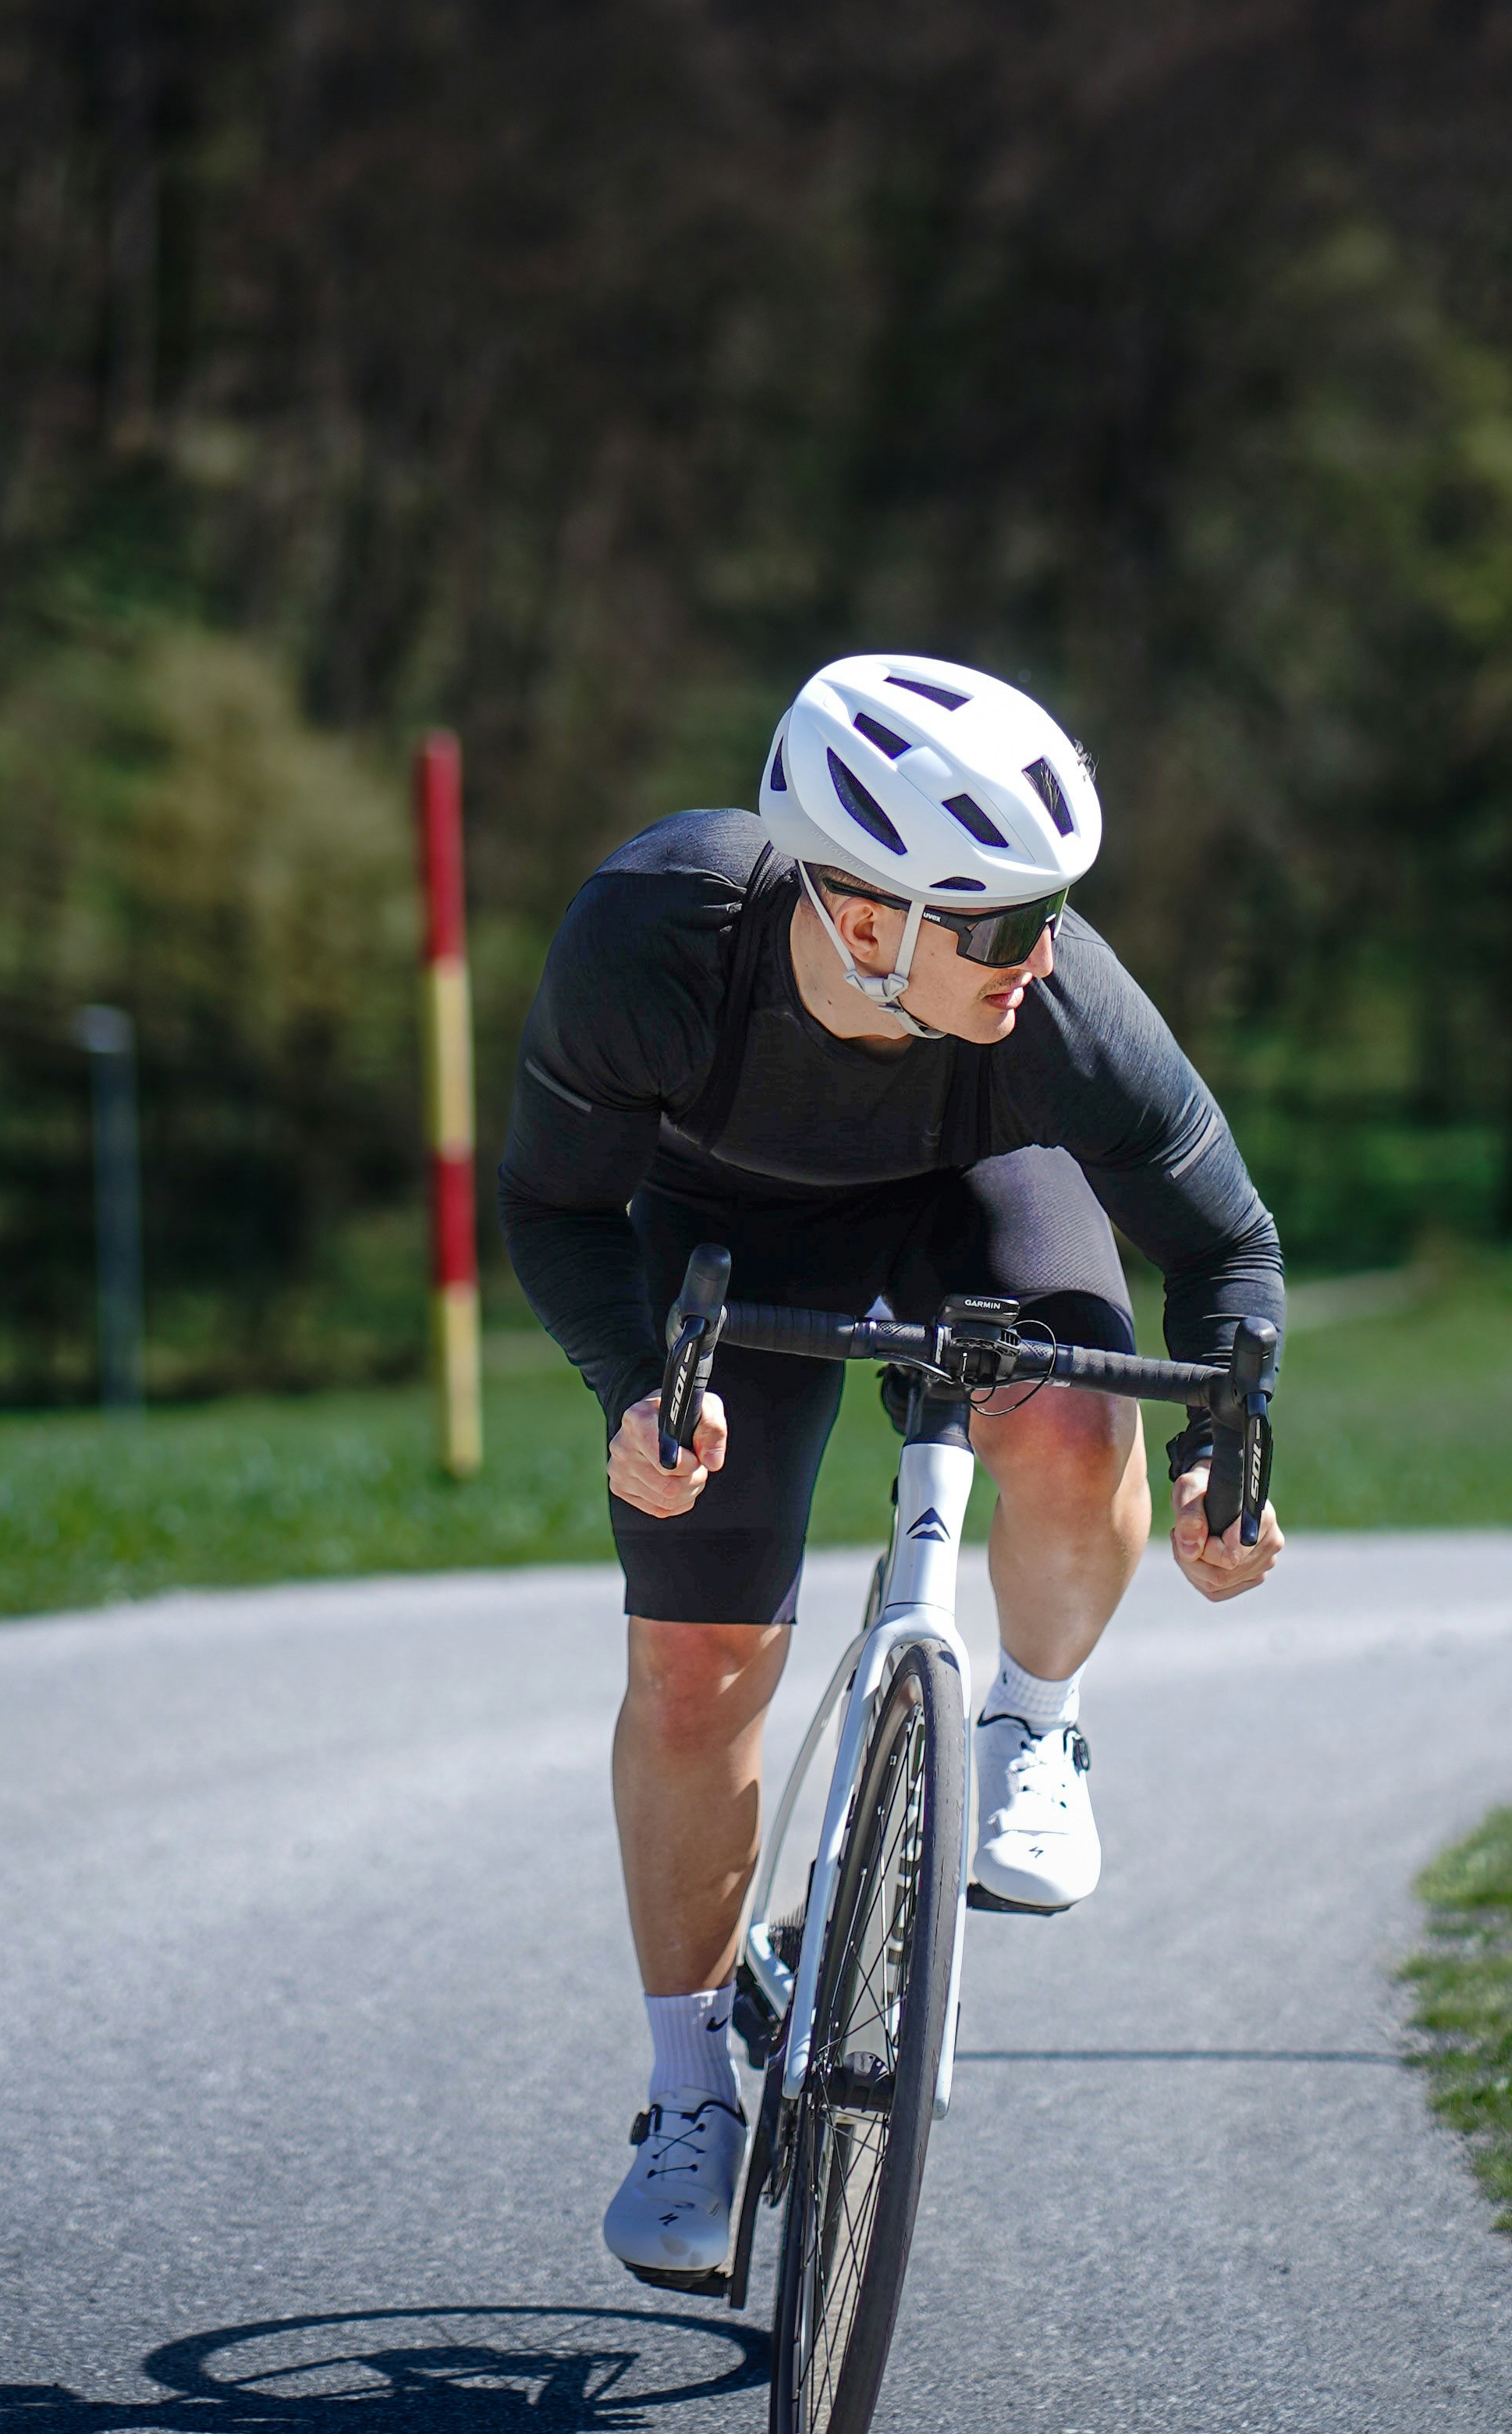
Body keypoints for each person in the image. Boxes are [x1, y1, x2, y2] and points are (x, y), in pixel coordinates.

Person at [499, 652, 1287, 2293]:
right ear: (866, 917)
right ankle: (686, 2096)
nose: (1040, 952)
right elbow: (554, 1208)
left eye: (1050, 906)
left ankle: (1032, 1730)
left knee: (1073, 1419)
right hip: (722, 1238)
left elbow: (1229, 1249)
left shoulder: (1049, 1007)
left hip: (976, 1192)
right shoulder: (652, 942)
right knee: (700, 1664)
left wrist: (1222, 1453)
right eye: (997, 920)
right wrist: (630, 1390)